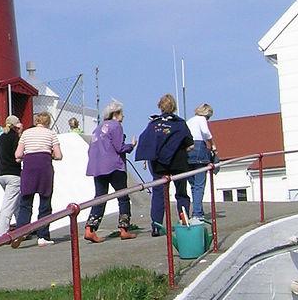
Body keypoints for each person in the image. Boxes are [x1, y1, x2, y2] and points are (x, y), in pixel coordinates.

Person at [135, 94, 193, 235]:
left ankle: (156, 225)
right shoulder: (179, 123)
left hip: (158, 163)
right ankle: (184, 220)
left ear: (160, 107)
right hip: (178, 162)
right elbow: (190, 144)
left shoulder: (153, 125)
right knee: (181, 193)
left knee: (158, 194)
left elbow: (145, 141)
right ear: (174, 107)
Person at [84, 102, 137, 242]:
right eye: (121, 113)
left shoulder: (98, 128)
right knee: (123, 196)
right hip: (114, 166)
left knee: (100, 197)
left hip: (97, 167)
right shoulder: (116, 126)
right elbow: (119, 147)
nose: (123, 116)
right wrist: (131, 145)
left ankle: (90, 228)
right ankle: (124, 228)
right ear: (115, 114)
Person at [13, 112, 63, 246]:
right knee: (45, 203)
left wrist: (25, 155)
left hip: (29, 168)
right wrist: (50, 154)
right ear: (48, 122)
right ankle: (43, 237)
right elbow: (59, 155)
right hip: (44, 168)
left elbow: (17, 154)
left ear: (36, 121)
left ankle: (20, 233)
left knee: (25, 203)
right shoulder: (51, 134)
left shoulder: (26, 133)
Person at [0, 115, 24, 239]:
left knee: (16, 202)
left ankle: (23, 227)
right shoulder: (16, 138)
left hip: (1, 173)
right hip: (13, 174)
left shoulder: (1, 138)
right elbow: (17, 156)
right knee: (9, 205)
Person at [186, 103, 216, 220]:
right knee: (199, 184)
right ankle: (197, 213)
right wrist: (213, 144)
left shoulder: (189, 121)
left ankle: (198, 210)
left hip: (187, 151)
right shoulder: (201, 119)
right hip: (199, 149)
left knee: (193, 184)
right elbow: (206, 132)